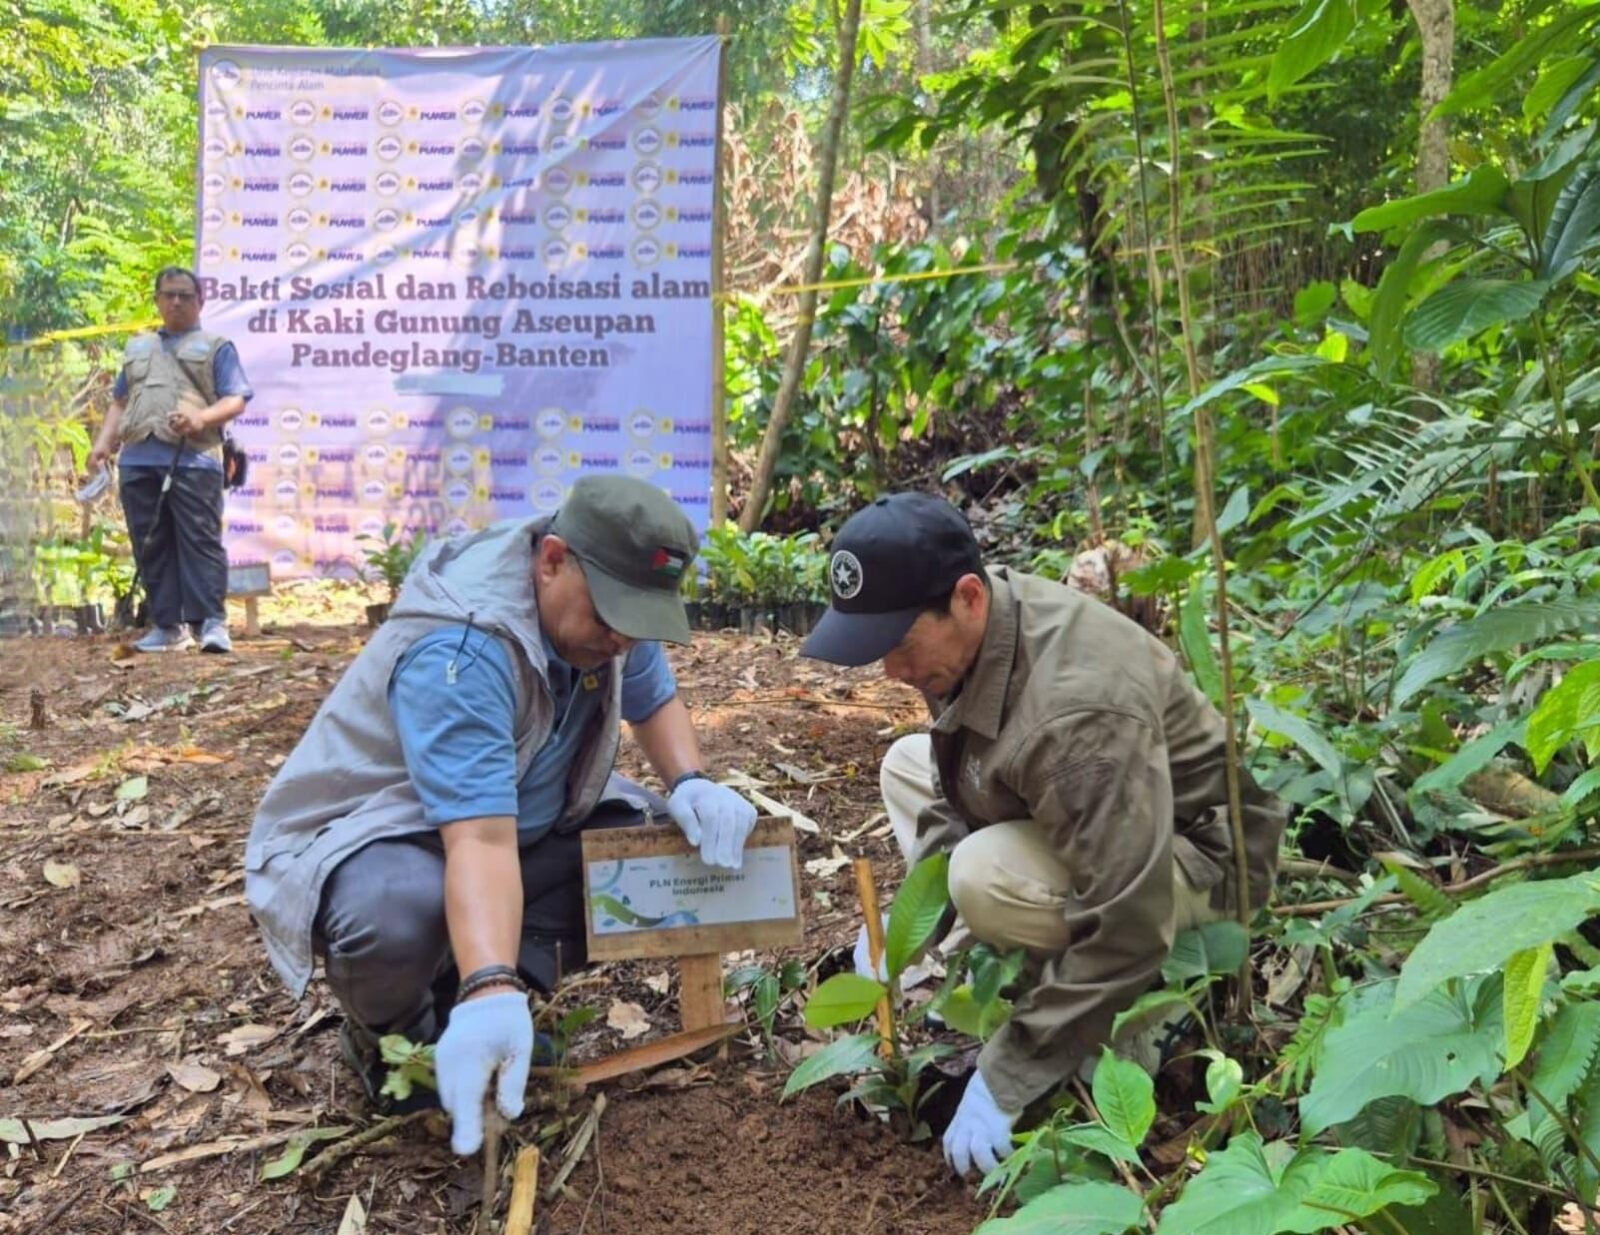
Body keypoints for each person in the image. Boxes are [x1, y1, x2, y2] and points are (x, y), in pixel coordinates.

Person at [246, 475, 757, 1156]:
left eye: (636, 624)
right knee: (393, 918)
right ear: (551, 561)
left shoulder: (610, 604)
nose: (621, 639)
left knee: (647, 855)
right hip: (393, 834)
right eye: (611, 620)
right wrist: (494, 988)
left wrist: (691, 781)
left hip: (516, 816)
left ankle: (474, 990)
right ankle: (400, 1041)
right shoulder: (466, 646)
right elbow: (479, 842)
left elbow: (650, 696)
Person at [800, 493, 1285, 1176]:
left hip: (1195, 858)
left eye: (901, 646)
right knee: (904, 766)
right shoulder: (983, 627)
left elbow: (1130, 924)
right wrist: (906, 928)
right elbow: (953, 778)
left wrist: (1009, 1074)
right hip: (1100, 811)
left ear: (966, 598)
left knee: (978, 874)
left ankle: (1146, 1018)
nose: (893, 673)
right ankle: (1027, 958)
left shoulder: (1077, 717)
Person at [85, 266, 252, 654]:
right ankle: (167, 626)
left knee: (200, 541)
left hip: (194, 458)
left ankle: (211, 623)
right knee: (150, 543)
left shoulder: (216, 346)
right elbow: (120, 402)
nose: (176, 302)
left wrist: (200, 418)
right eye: (169, 295)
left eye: (185, 295)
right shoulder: (137, 348)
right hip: (138, 459)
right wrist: (102, 444)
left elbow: (236, 398)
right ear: (157, 300)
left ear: (200, 302)